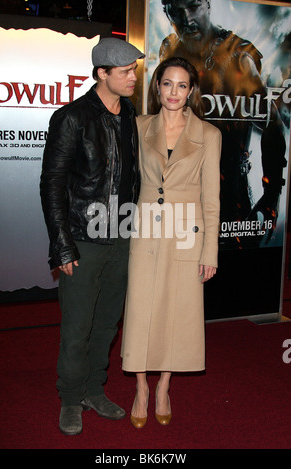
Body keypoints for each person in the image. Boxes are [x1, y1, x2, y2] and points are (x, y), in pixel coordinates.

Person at [40, 37, 145, 436]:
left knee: (107, 322)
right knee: (78, 326)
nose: (132, 77)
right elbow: (52, 184)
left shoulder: (128, 114)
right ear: (102, 74)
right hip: (83, 238)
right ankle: (70, 396)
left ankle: (92, 389)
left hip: (121, 236)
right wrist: (61, 243)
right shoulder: (71, 118)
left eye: (133, 70)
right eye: (125, 72)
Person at [121, 57, 222, 428]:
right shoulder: (137, 126)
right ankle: (141, 388)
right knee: (141, 311)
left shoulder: (209, 136)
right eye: (167, 84)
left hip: (186, 237)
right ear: (157, 87)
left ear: (191, 90)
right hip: (145, 232)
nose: (174, 92)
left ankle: (164, 385)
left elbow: (211, 200)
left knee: (177, 316)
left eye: (182, 85)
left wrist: (209, 250)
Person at [158, 0, 286, 247]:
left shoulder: (236, 56)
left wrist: (272, 193)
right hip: (179, 189)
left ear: (207, 5)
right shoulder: (170, 48)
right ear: (166, 11)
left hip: (229, 196)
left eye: (193, 5)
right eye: (175, 9)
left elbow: (271, 123)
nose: (186, 18)